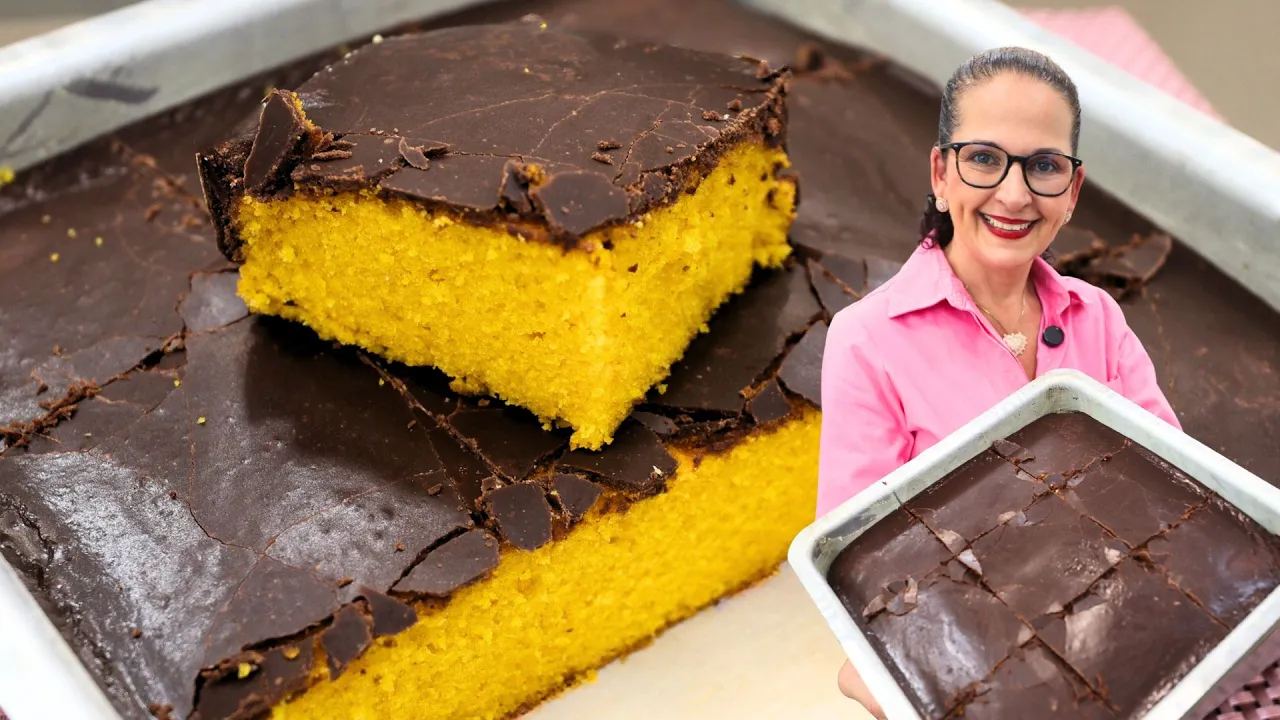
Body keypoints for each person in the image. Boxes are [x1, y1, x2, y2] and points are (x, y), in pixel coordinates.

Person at [816, 46, 1181, 717]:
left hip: (1121, 645)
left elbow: (1173, 493)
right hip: (979, 674)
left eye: (1043, 166)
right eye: (985, 158)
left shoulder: (1097, 317)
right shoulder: (867, 340)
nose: (1014, 195)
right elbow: (858, 566)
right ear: (942, 171)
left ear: (1072, 191)